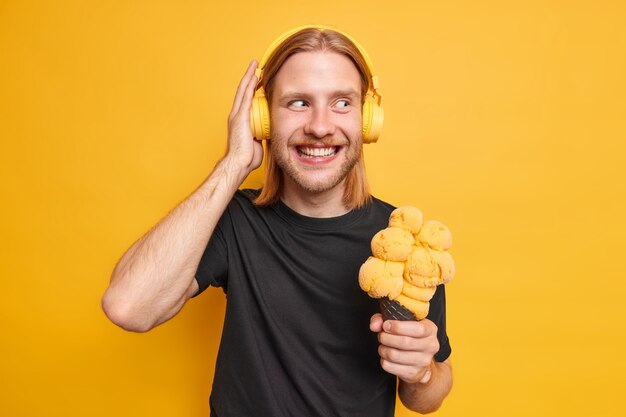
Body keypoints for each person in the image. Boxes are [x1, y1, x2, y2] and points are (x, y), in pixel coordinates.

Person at [102, 26, 453, 416]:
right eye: (298, 103)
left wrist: (421, 373)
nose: (320, 126)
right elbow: (128, 307)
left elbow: (428, 397)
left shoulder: (402, 241)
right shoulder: (232, 219)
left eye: (341, 103)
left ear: (367, 120)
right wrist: (233, 164)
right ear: (262, 119)